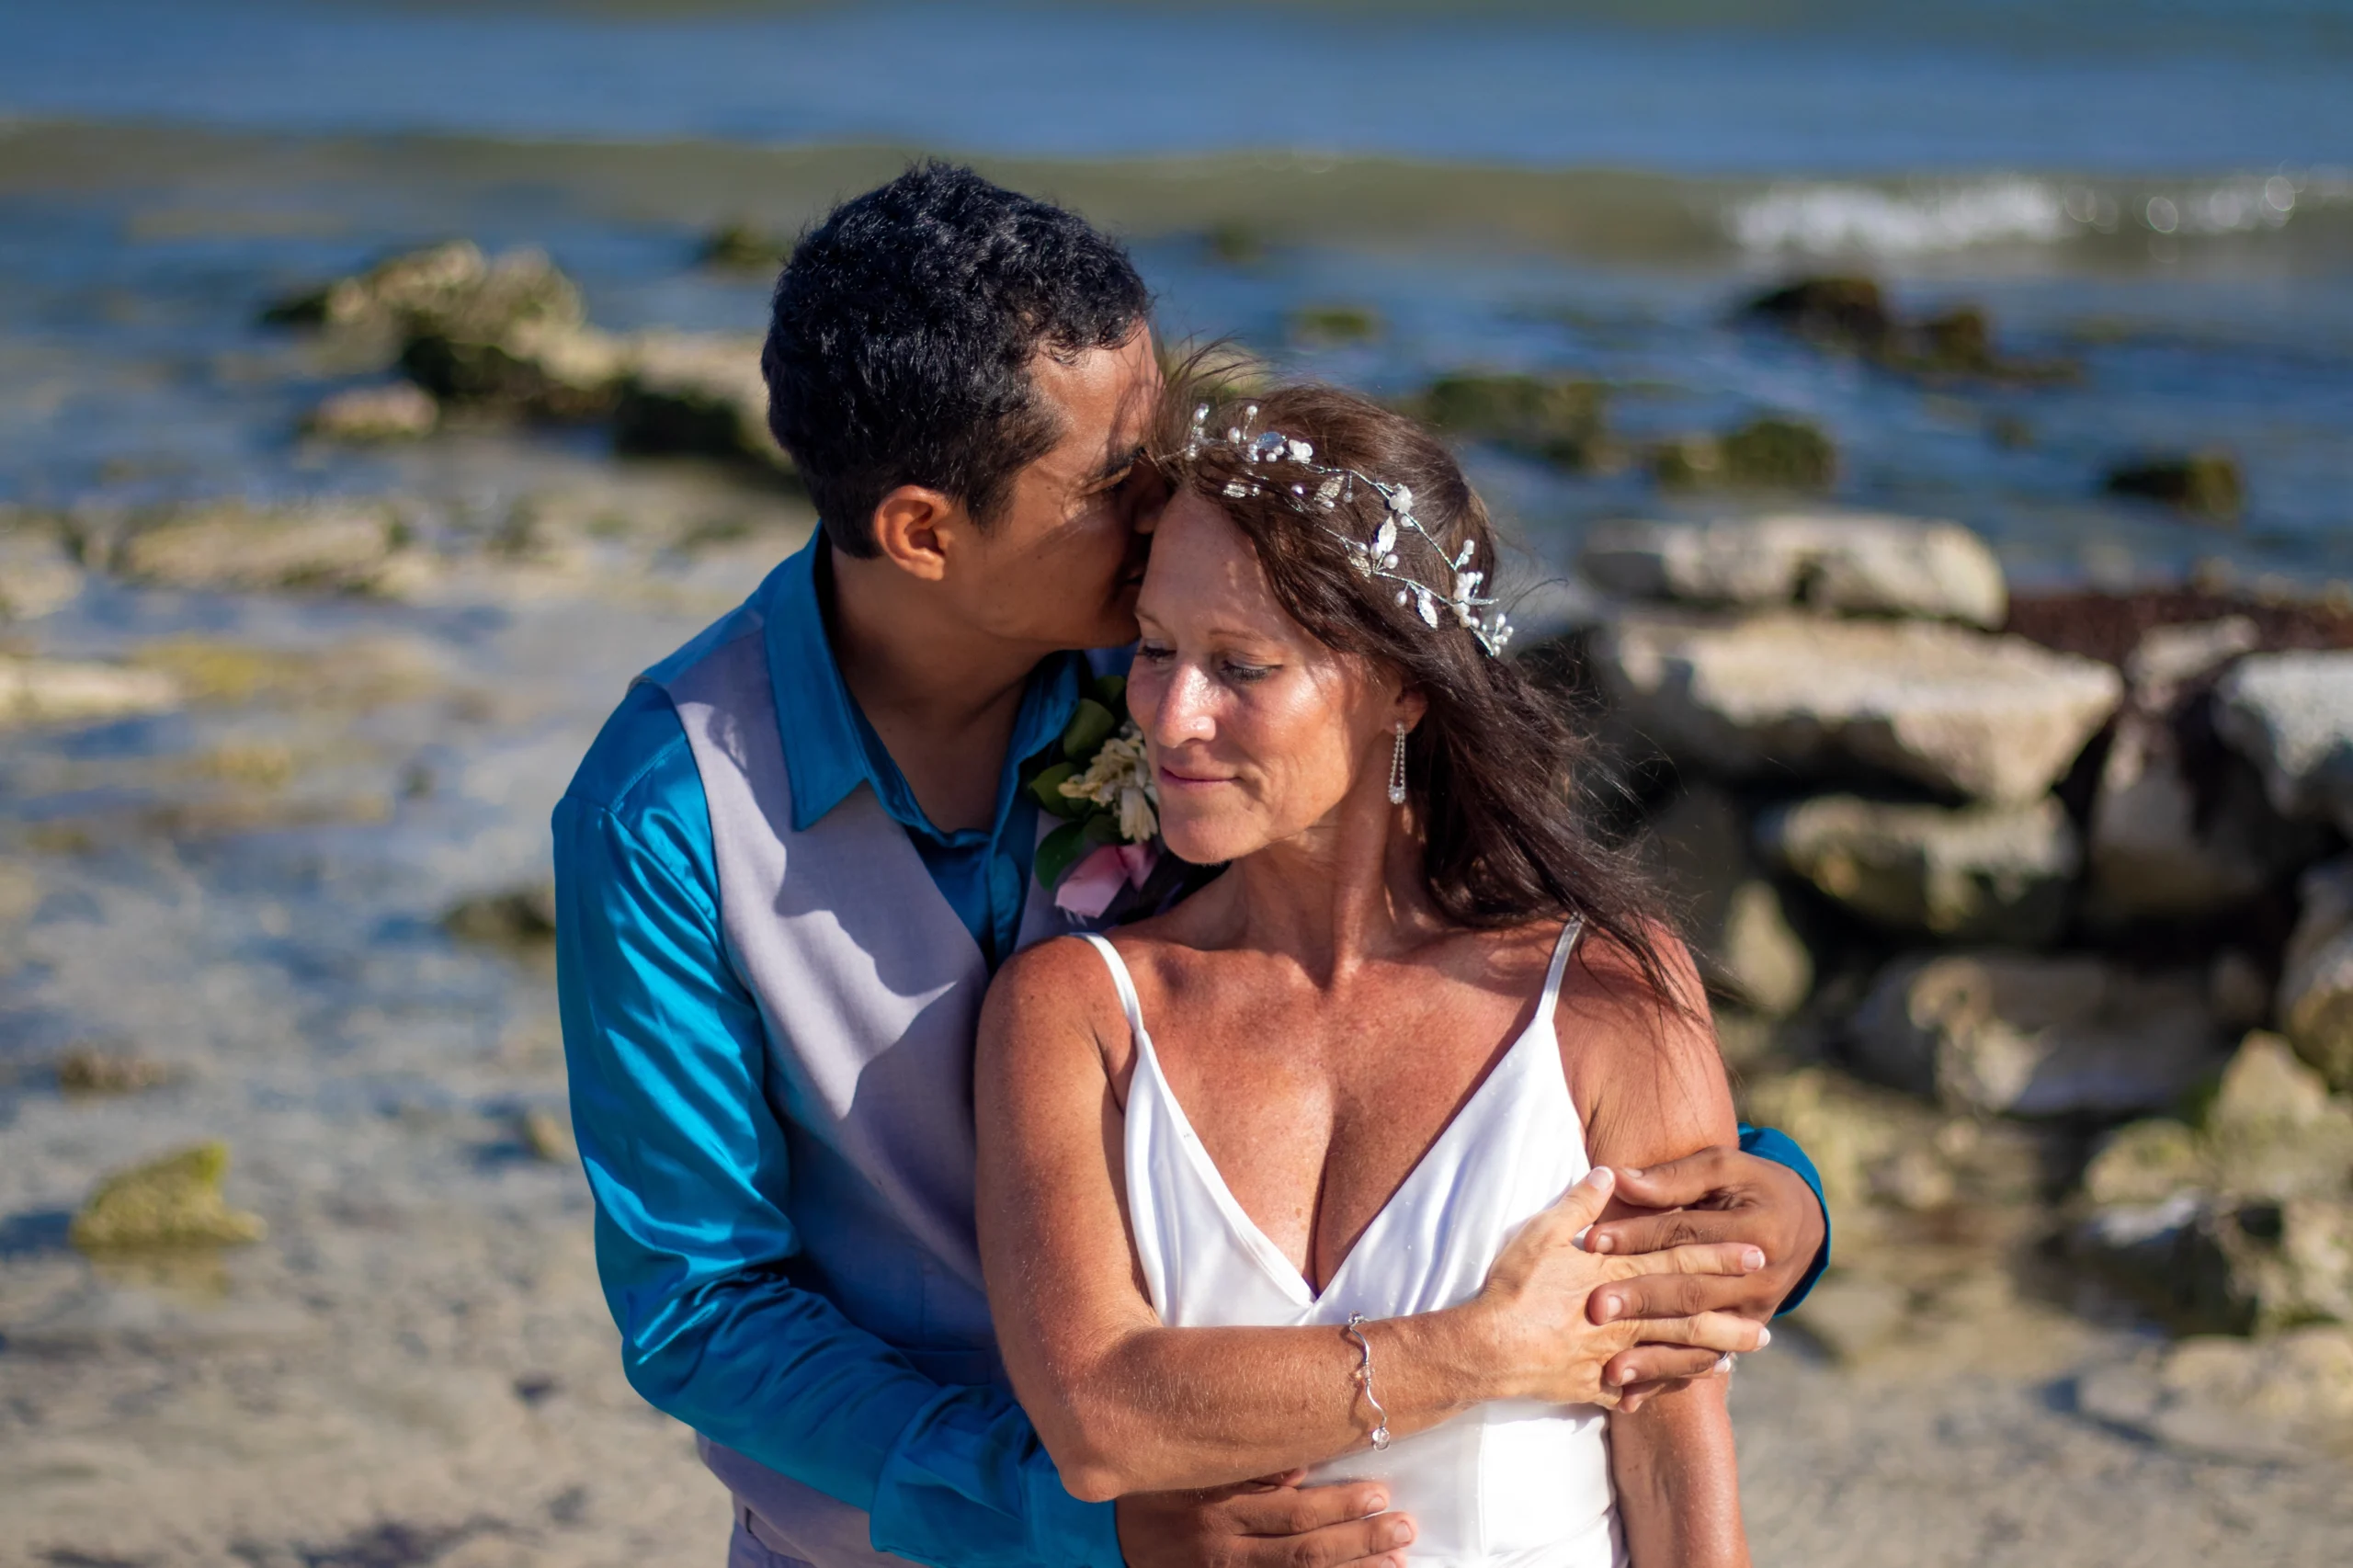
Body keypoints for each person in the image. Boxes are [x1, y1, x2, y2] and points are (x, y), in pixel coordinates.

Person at [554, 164, 1826, 1568]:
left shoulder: (1183, 650)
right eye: (1112, 478)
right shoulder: (666, 814)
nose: (1168, 494)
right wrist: (1073, 1512)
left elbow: (1481, 984)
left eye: (1155, 433)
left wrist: (1771, 1196)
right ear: (924, 530)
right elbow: (706, 1305)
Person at [977, 382, 1764, 1566]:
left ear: (1404, 684)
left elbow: (1670, 1455)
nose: (1172, 714)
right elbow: (1096, 1419)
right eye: (1154, 649)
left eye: (1240, 665)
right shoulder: (1075, 1010)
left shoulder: (1606, 995)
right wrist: (1486, 1348)